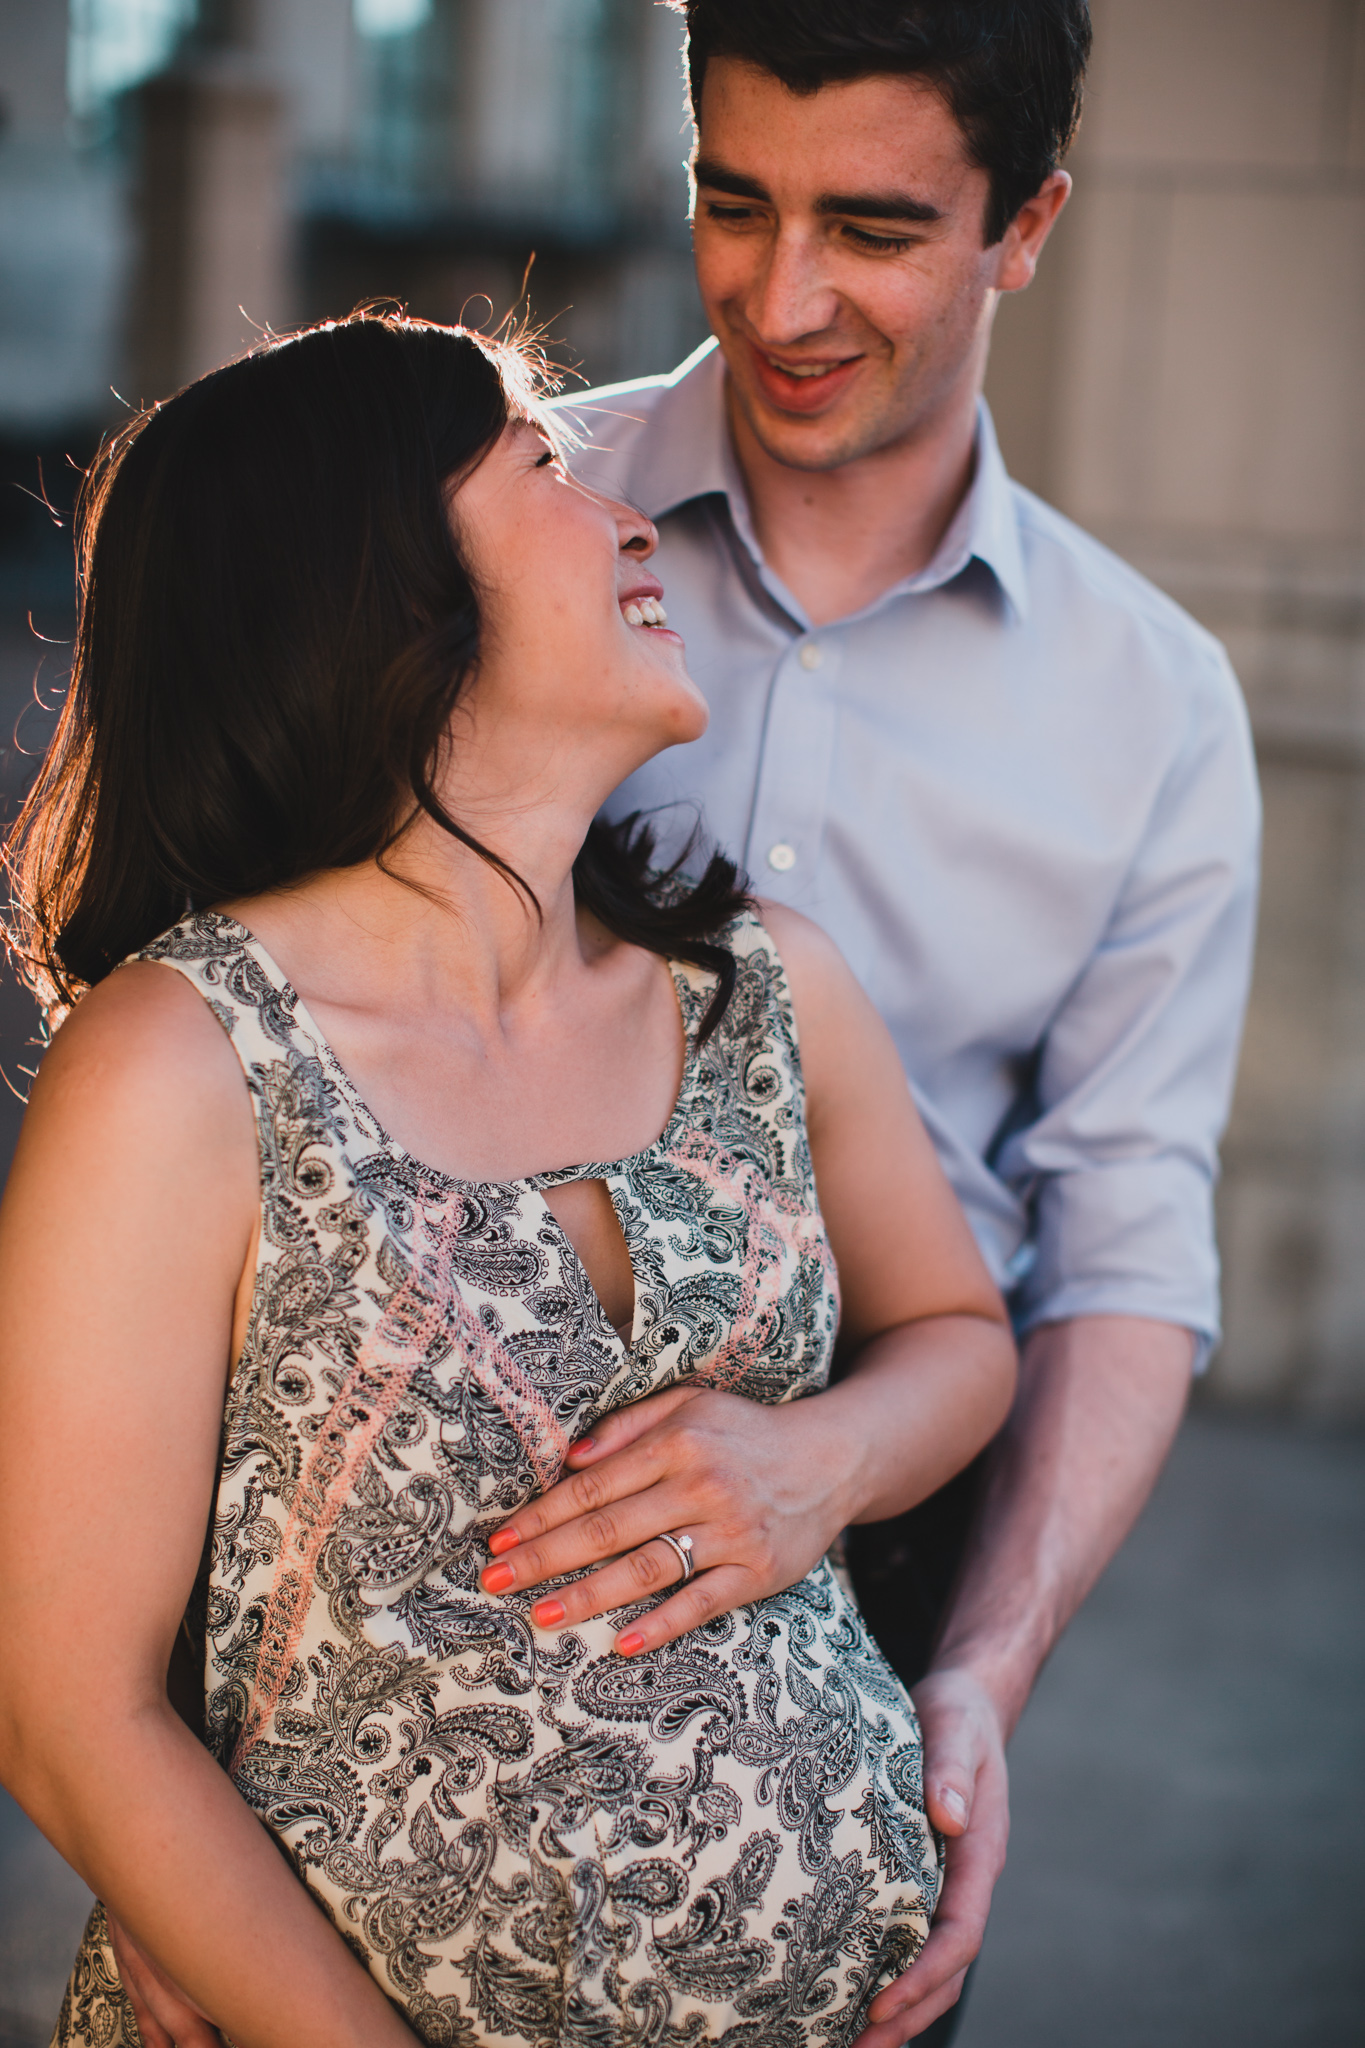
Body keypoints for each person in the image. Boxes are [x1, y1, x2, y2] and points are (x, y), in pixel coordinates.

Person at [0, 312, 1017, 2048]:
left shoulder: (768, 988)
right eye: (543, 466)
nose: (630, 522)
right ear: (380, 582)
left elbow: (961, 1336)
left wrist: (821, 1459)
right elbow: (64, 1708)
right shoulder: (180, 1062)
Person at [544, 3, 1261, 2041]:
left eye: (869, 229)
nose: (781, 301)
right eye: (732, 204)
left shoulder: (1152, 707)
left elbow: (1121, 1247)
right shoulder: (492, 511)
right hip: (439, 1464)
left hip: (878, 1565)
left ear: (1023, 223)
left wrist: (977, 1674)